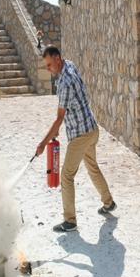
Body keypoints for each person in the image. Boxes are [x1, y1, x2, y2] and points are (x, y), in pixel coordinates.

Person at [35, 46, 116, 232]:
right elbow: (70, 109)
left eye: (49, 64)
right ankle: (108, 202)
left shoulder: (64, 83)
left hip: (81, 135)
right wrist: (56, 130)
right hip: (91, 128)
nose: (48, 69)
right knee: (92, 167)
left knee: (66, 175)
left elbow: (59, 118)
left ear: (57, 58)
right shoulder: (69, 64)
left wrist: (43, 143)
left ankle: (70, 221)